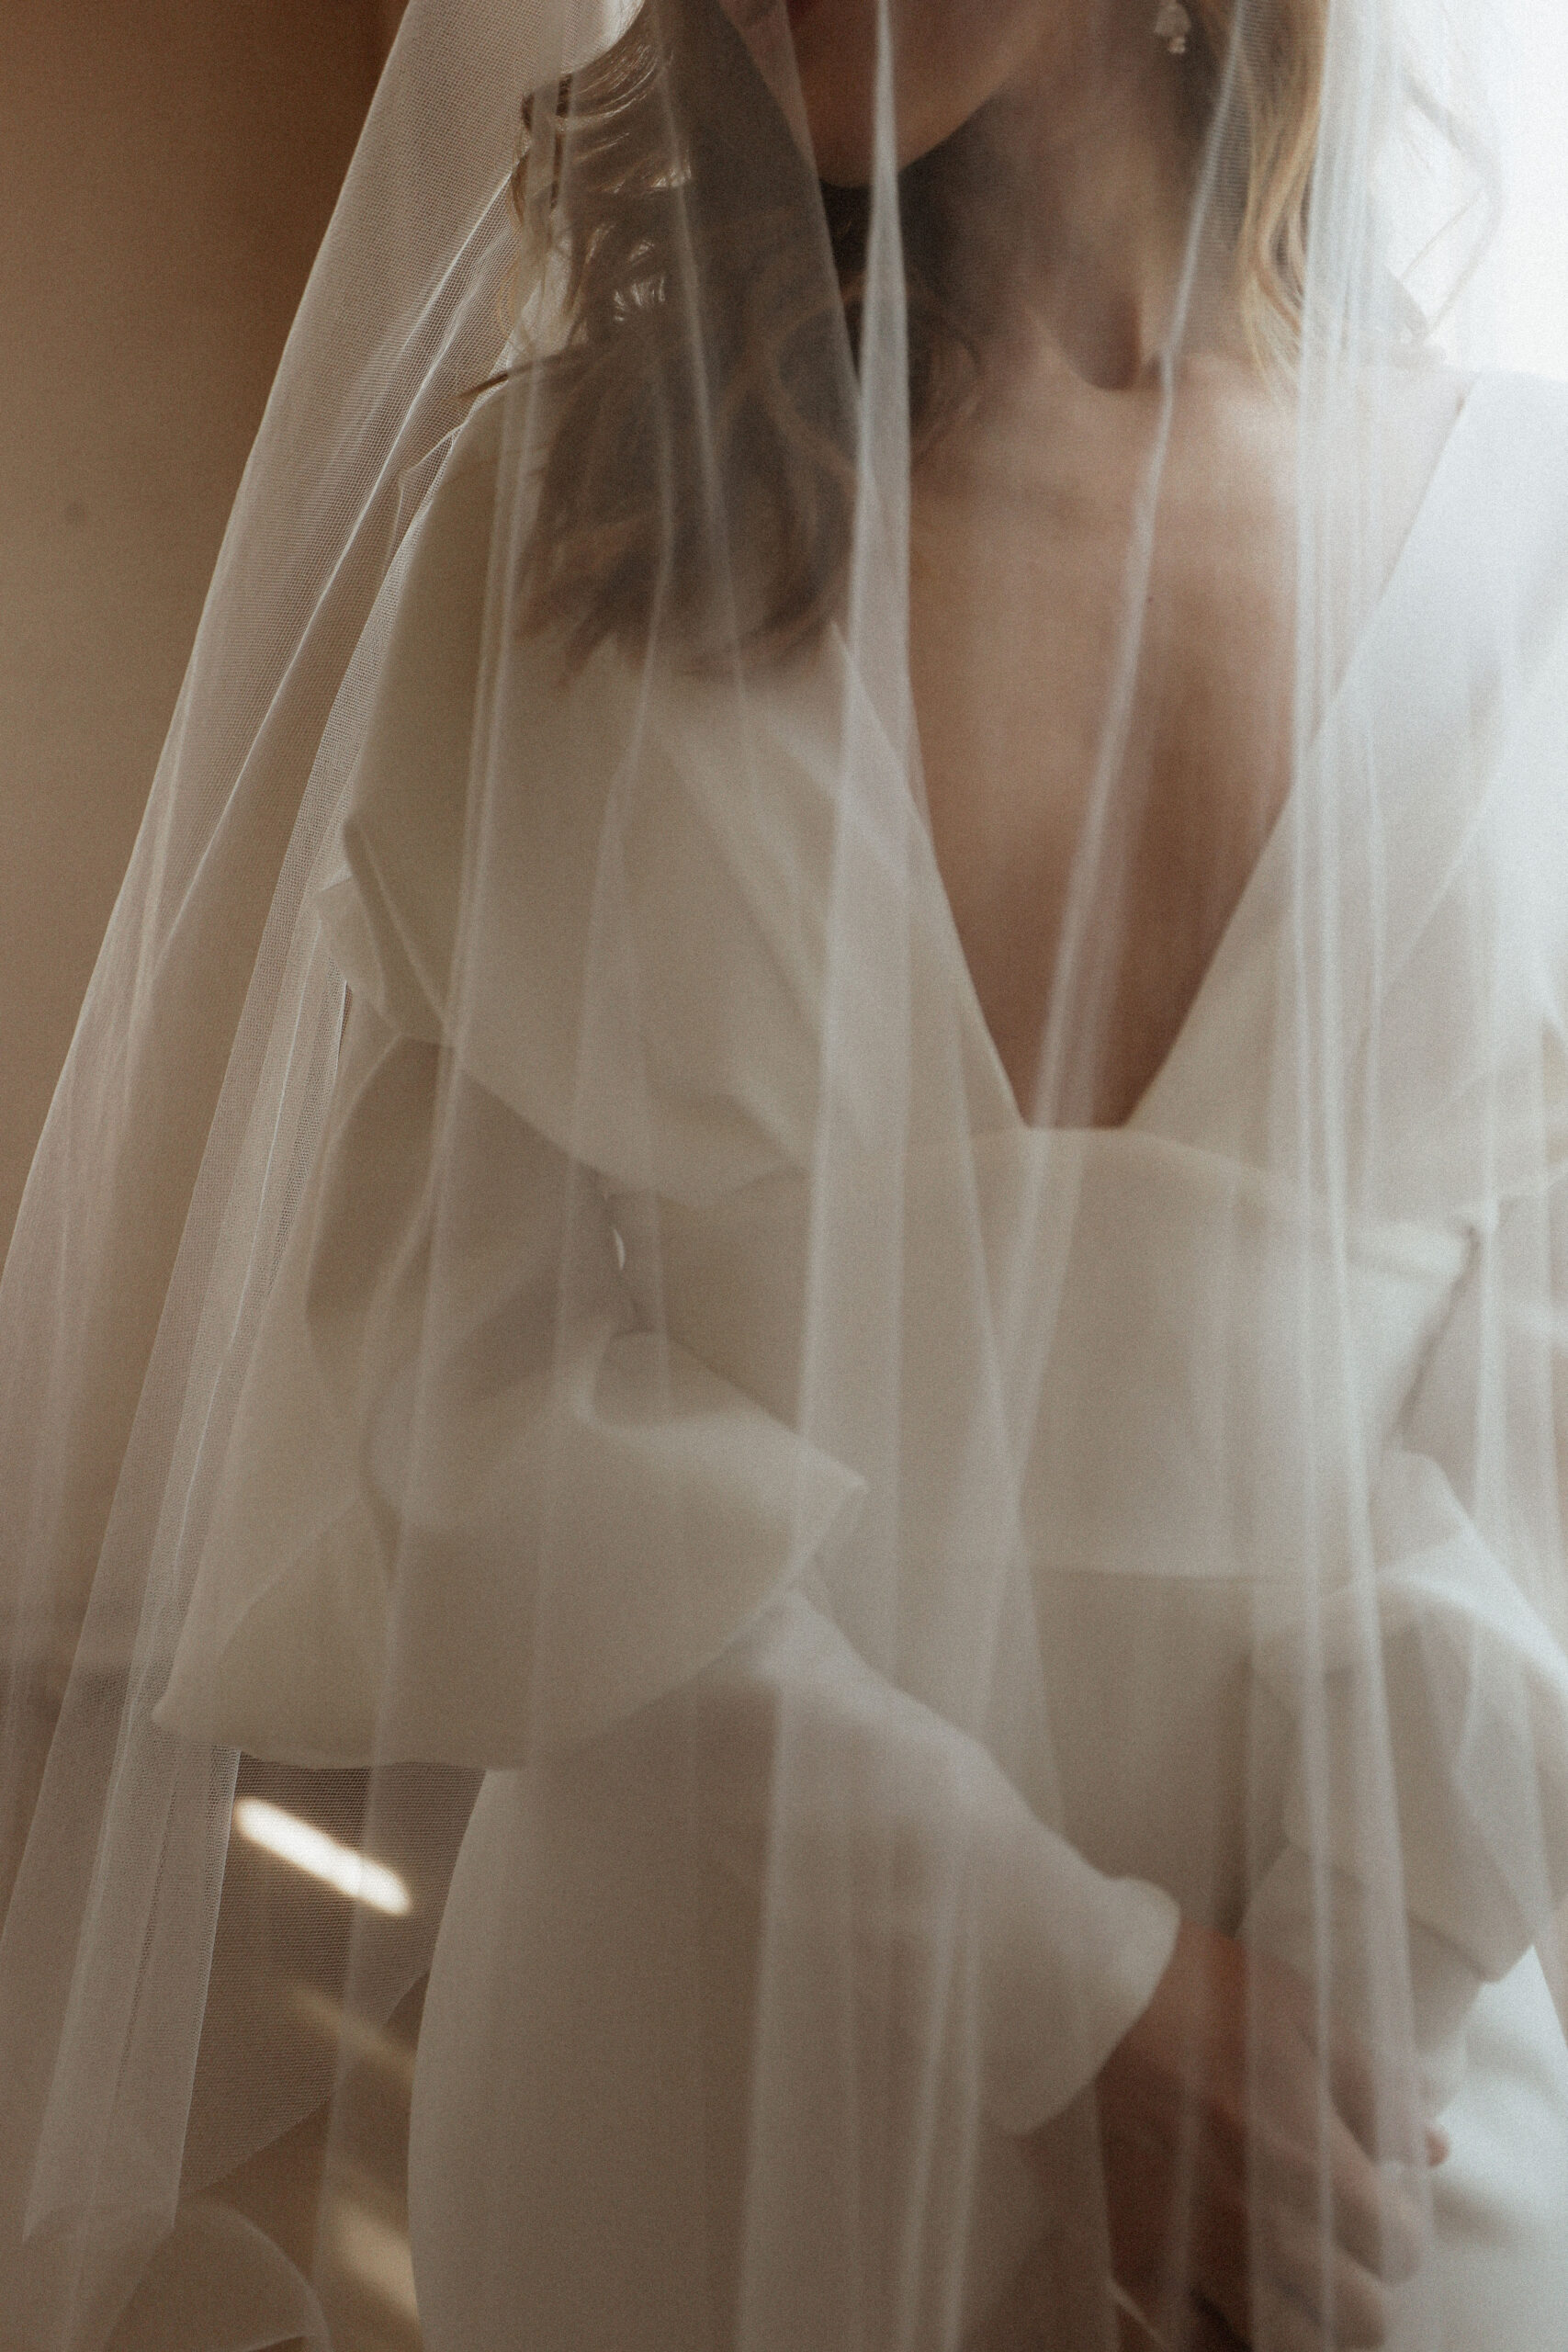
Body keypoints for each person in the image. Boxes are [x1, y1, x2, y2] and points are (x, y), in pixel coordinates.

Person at [3, 3, 1567, 2348]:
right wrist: (1075, 2004)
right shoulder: (567, 514)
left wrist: (1334, 2023)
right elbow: (460, 1376)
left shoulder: (1534, 540)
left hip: (1381, 2115)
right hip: (692, 2055)